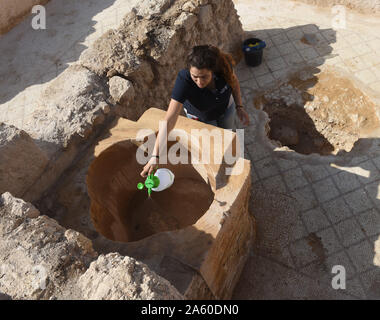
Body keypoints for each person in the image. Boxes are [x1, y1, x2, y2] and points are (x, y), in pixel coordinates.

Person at [140, 44, 250, 178]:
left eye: (204, 77)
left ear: (213, 71)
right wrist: (155, 155)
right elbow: (169, 119)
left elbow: (234, 83)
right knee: (212, 144)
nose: (199, 82)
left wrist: (239, 107)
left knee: (226, 136)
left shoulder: (223, 67)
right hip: (203, 118)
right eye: (195, 76)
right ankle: (219, 171)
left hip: (226, 109)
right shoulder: (184, 80)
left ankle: (229, 162)